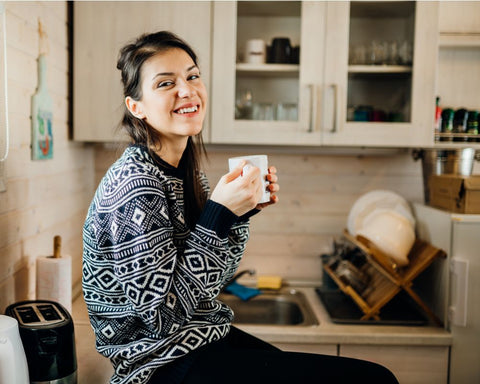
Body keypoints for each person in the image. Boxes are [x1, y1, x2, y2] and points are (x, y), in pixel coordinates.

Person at [82, 31, 399, 384]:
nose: (186, 90)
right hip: (156, 365)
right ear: (136, 107)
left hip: (197, 341)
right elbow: (161, 317)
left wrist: (238, 215)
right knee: (373, 380)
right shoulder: (134, 185)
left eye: (192, 76)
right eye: (165, 83)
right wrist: (218, 215)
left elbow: (214, 280)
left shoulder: (188, 173)